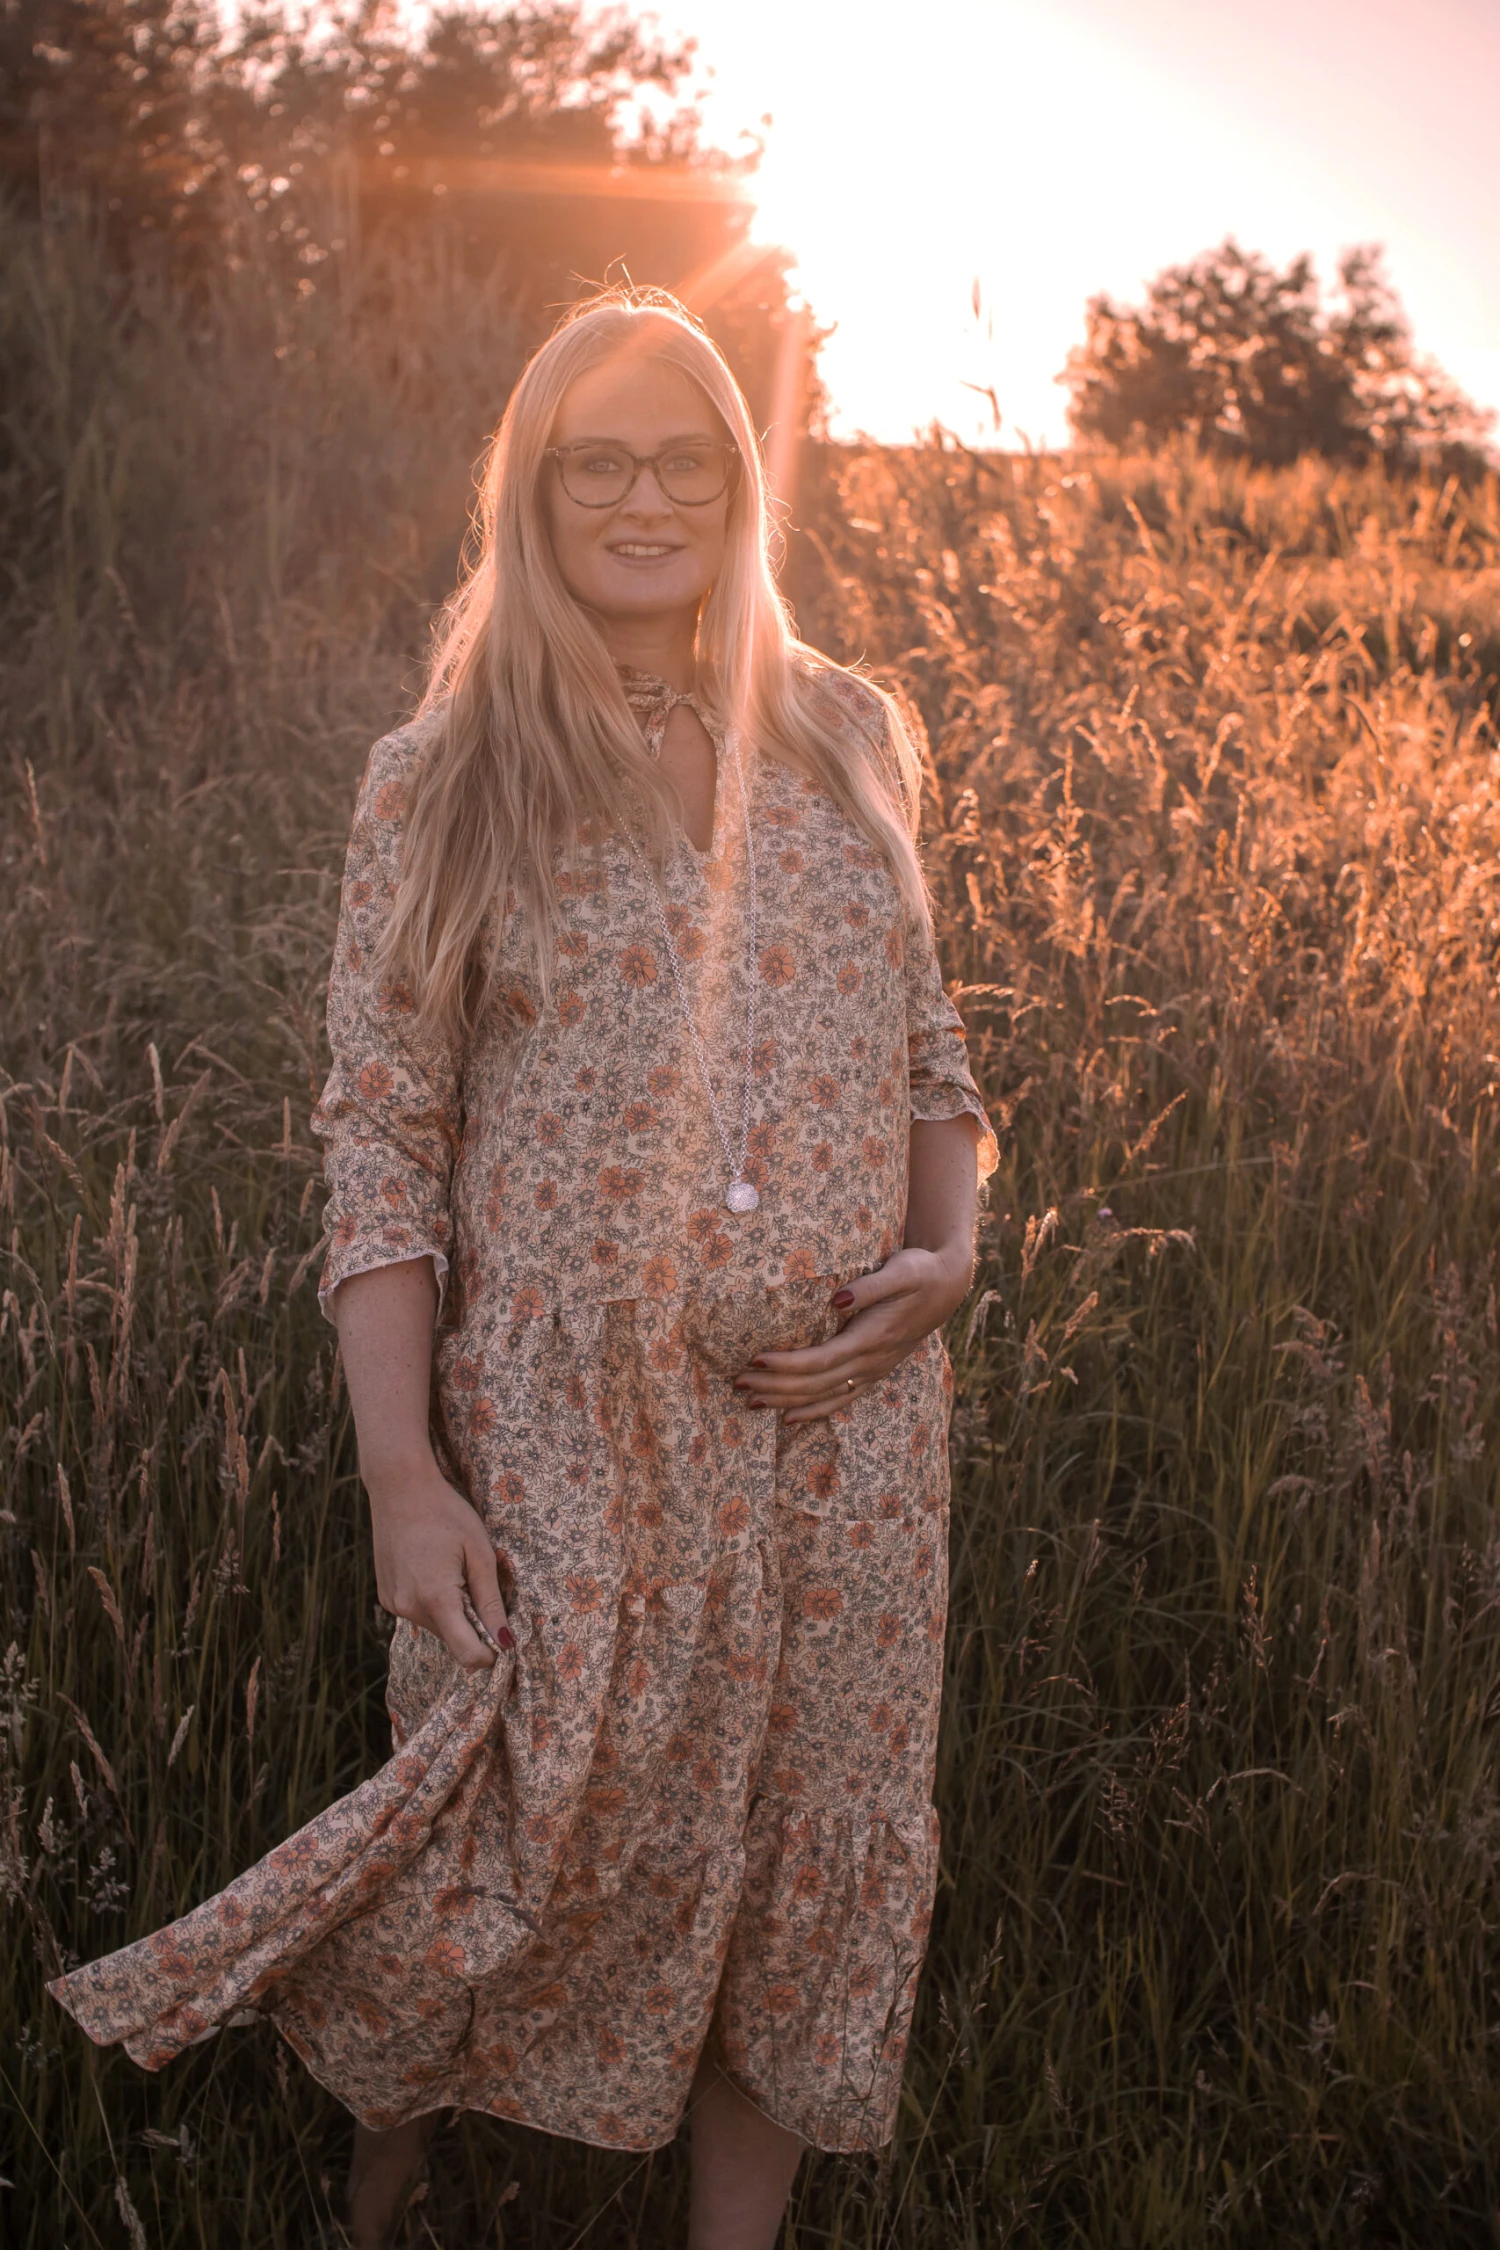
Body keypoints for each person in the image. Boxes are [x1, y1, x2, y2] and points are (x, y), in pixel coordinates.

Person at [50, 288, 996, 2250]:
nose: (644, 497)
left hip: (852, 1453)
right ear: (537, 493)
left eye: (686, 458)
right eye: (599, 463)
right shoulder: (447, 769)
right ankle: (369, 2203)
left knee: (799, 1851)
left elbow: (935, 1055)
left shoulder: (846, 736)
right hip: (567, 1443)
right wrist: (407, 1474)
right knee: (492, 1837)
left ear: (742, 486)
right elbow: (380, 1132)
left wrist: (952, 1254)